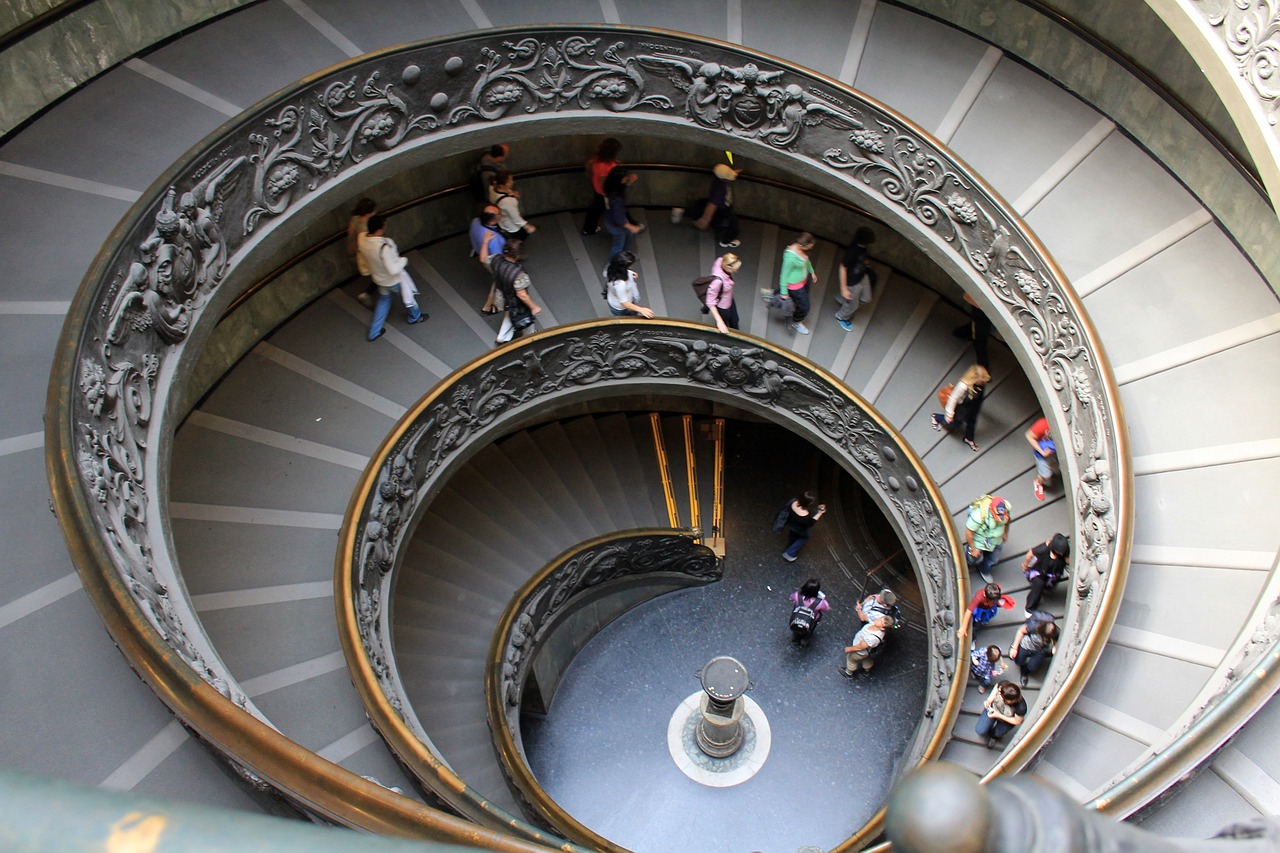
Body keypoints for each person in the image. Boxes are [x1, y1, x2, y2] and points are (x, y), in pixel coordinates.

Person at [358, 214, 426, 341]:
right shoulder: (384, 246)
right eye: (384, 226)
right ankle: (415, 317)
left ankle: (374, 331)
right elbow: (393, 269)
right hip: (393, 281)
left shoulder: (362, 240)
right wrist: (403, 260)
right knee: (408, 297)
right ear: (379, 229)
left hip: (379, 280)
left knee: (383, 301)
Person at [491, 241, 541, 345]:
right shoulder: (518, 274)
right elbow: (522, 295)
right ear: (517, 255)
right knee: (524, 316)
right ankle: (530, 336)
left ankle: (502, 337)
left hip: (502, 294)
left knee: (510, 314)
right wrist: (534, 307)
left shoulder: (496, 260)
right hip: (515, 301)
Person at [932, 364, 990, 452]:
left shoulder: (978, 385)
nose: (982, 383)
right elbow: (953, 399)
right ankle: (936, 417)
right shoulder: (963, 386)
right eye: (981, 381)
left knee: (971, 422)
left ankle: (969, 438)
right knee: (955, 422)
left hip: (970, 407)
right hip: (962, 408)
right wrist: (949, 414)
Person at [772, 232, 816, 335]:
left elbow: (806, 261)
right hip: (795, 286)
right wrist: (784, 292)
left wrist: (812, 271)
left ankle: (773, 294)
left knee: (798, 300)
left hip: (803, 281)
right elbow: (784, 275)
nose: (810, 249)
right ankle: (796, 321)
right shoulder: (790, 259)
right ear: (801, 245)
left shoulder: (802, 251)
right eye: (808, 247)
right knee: (805, 307)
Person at [835, 227, 877, 331]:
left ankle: (846, 301)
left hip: (862, 277)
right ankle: (841, 317)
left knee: (866, 299)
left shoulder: (862, 248)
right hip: (852, 283)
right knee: (852, 306)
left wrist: (865, 263)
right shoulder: (852, 251)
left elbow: (861, 257)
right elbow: (843, 267)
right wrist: (844, 289)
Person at [691, 163, 741, 248]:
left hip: (720, 208)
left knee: (718, 222)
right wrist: (705, 219)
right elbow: (712, 205)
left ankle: (684, 212)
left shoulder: (718, 180)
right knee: (732, 225)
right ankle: (725, 241)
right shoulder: (720, 190)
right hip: (722, 210)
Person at [964, 494, 1011, 583]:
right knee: (972, 558)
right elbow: (969, 532)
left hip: (996, 540)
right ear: (990, 510)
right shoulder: (978, 516)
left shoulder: (1007, 507)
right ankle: (966, 566)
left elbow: (1008, 520)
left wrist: (1005, 532)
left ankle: (984, 569)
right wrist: (973, 549)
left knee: (994, 558)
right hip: (979, 541)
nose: (1000, 519)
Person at [602, 165, 645, 261]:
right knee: (618, 244)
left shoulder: (610, 187)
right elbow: (619, 218)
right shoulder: (617, 198)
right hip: (616, 225)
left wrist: (629, 181)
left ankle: (625, 257)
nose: (627, 178)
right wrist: (632, 227)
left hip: (609, 218)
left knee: (627, 235)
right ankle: (612, 264)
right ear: (620, 180)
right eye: (625, 177)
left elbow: (622, 186)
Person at [468, 204, 505, 314]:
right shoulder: (494, 240)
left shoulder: (475, 222)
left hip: (480, 250)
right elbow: (499, 260)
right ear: (492, 221)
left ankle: (488, 306)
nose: (501, 215)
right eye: (499, 214)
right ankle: (489, 306)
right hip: (491, 261)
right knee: (498, 281)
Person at [1021, 533, 1070, 615]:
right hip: (1040, 574)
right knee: (1037, 589)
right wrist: (1025, 566)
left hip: (1053, 575)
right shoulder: (1044, 549)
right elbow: (1030, 554)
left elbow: (1067, 560)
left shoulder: (1063, 553)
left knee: (1049, 587)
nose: (1061, 554)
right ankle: (1029, 608)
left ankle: (1047, 589)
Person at [581, 137, 621, 235]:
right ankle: (589, 228)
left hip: (597, 188)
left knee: (595, 208)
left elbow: (589, 166)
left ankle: (588, 228)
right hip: (604, 192)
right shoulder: (606, 166)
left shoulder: (597, 158)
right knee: (599, 209)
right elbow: (605, 182)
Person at [1010, 612, 1058, 687]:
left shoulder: (1055, 631)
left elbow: (1056, 639)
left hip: (1040, 650)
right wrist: (1014, 648)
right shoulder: (1033, 627)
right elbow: (1021, 631)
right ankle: (1022, 667)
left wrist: (1055, 646)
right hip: (1026, 645)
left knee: (1033, 667)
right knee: (1018, 661)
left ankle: (1025, 671)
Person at [487, 169, 537, 241]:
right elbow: (516, 219)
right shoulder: (508, 201)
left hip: (502, 222)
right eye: (510, 180)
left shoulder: (492, 186)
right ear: (504, 184)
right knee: (519, 240)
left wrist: (512, 195)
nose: (513, 182)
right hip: (512, 227)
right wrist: (528, 226)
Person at [346, 197, 378, 308]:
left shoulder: (355, 219)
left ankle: (370, 291)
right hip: (370, 252)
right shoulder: (368, 226)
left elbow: (350, 234)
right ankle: (367, 293)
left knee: (376, 272)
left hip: (362, 252)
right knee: (380, 272)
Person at [602, 251, 654, 318]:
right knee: (629, 318)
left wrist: (630, 273)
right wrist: (641, 310)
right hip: (621, 309)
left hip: (614, 301)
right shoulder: (620, 284)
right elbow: (625, 303)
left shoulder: (611, 270)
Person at [975, 681, 1026, 748]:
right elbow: (995, 689)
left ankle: (994, 736)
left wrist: (998, 715)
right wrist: (989, 700)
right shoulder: (1003, 686)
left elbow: (1017, 721)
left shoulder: (1021, 707)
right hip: (994, 708)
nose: (1000, 696)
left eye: (1003, 698)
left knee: (998, 732)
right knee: (980, 730)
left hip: (1007, 719)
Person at [781, 490, 826, 562]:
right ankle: (789, 553)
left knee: (792, 536)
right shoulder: (805, 516)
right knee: (805, 537)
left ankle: (789, 546)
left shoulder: (793, 502)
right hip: (800, 530)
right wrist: (820, 513)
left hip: (791, 524)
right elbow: (811, 523)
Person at [705, 252, 742, 333]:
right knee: (725, 322)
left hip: (729, 299)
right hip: (723, 306)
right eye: (735, 269)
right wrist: (720, 322)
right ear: (728, 268)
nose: (736, 271)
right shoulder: (717, 281)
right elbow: (710, 301)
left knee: (735, 319)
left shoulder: (720, 261)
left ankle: (735, 330)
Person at [788, 578, 830, 646]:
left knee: (796, 628)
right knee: (809, 630)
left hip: (797, 617)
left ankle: (795, 637)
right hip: (810, 621)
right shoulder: (820, 603)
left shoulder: (797, 595)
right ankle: (804, 640)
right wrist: (823, 599)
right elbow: (827, 608)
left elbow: (791, 597)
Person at [1025, 415, 1058, 501]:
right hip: (1044, 454)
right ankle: (1038, 482)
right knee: (1046, 475)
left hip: (1055, 451)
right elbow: (1029, 435)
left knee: (1056, 467)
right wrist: (1042, 452)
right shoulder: (1043, 424)